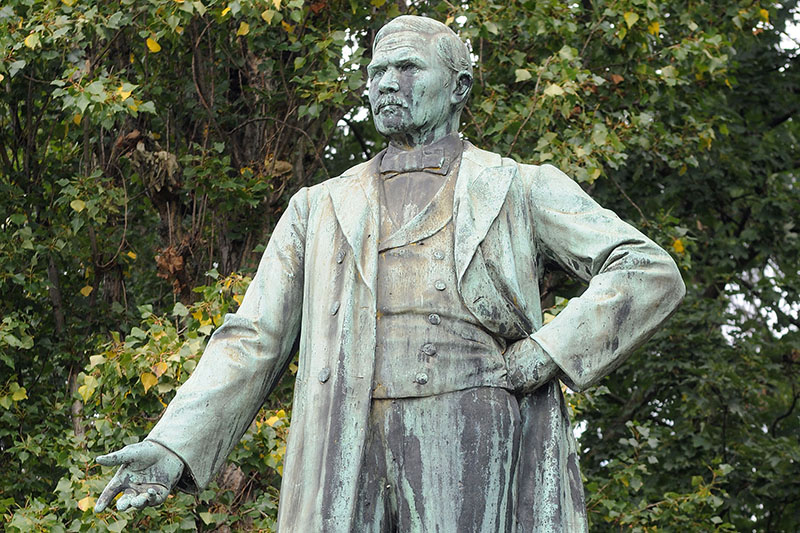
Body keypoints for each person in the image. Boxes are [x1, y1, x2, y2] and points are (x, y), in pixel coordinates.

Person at [95, 15, 685, 532]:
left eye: (406, 67)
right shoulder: (318, 207)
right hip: (340, 434)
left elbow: (647, 268)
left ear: (459, 88)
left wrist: (548, 352)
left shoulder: (520, 187)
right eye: (376, 71)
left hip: (474, 429)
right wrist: (174, 445)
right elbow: (253, 337)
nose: (385, 84)